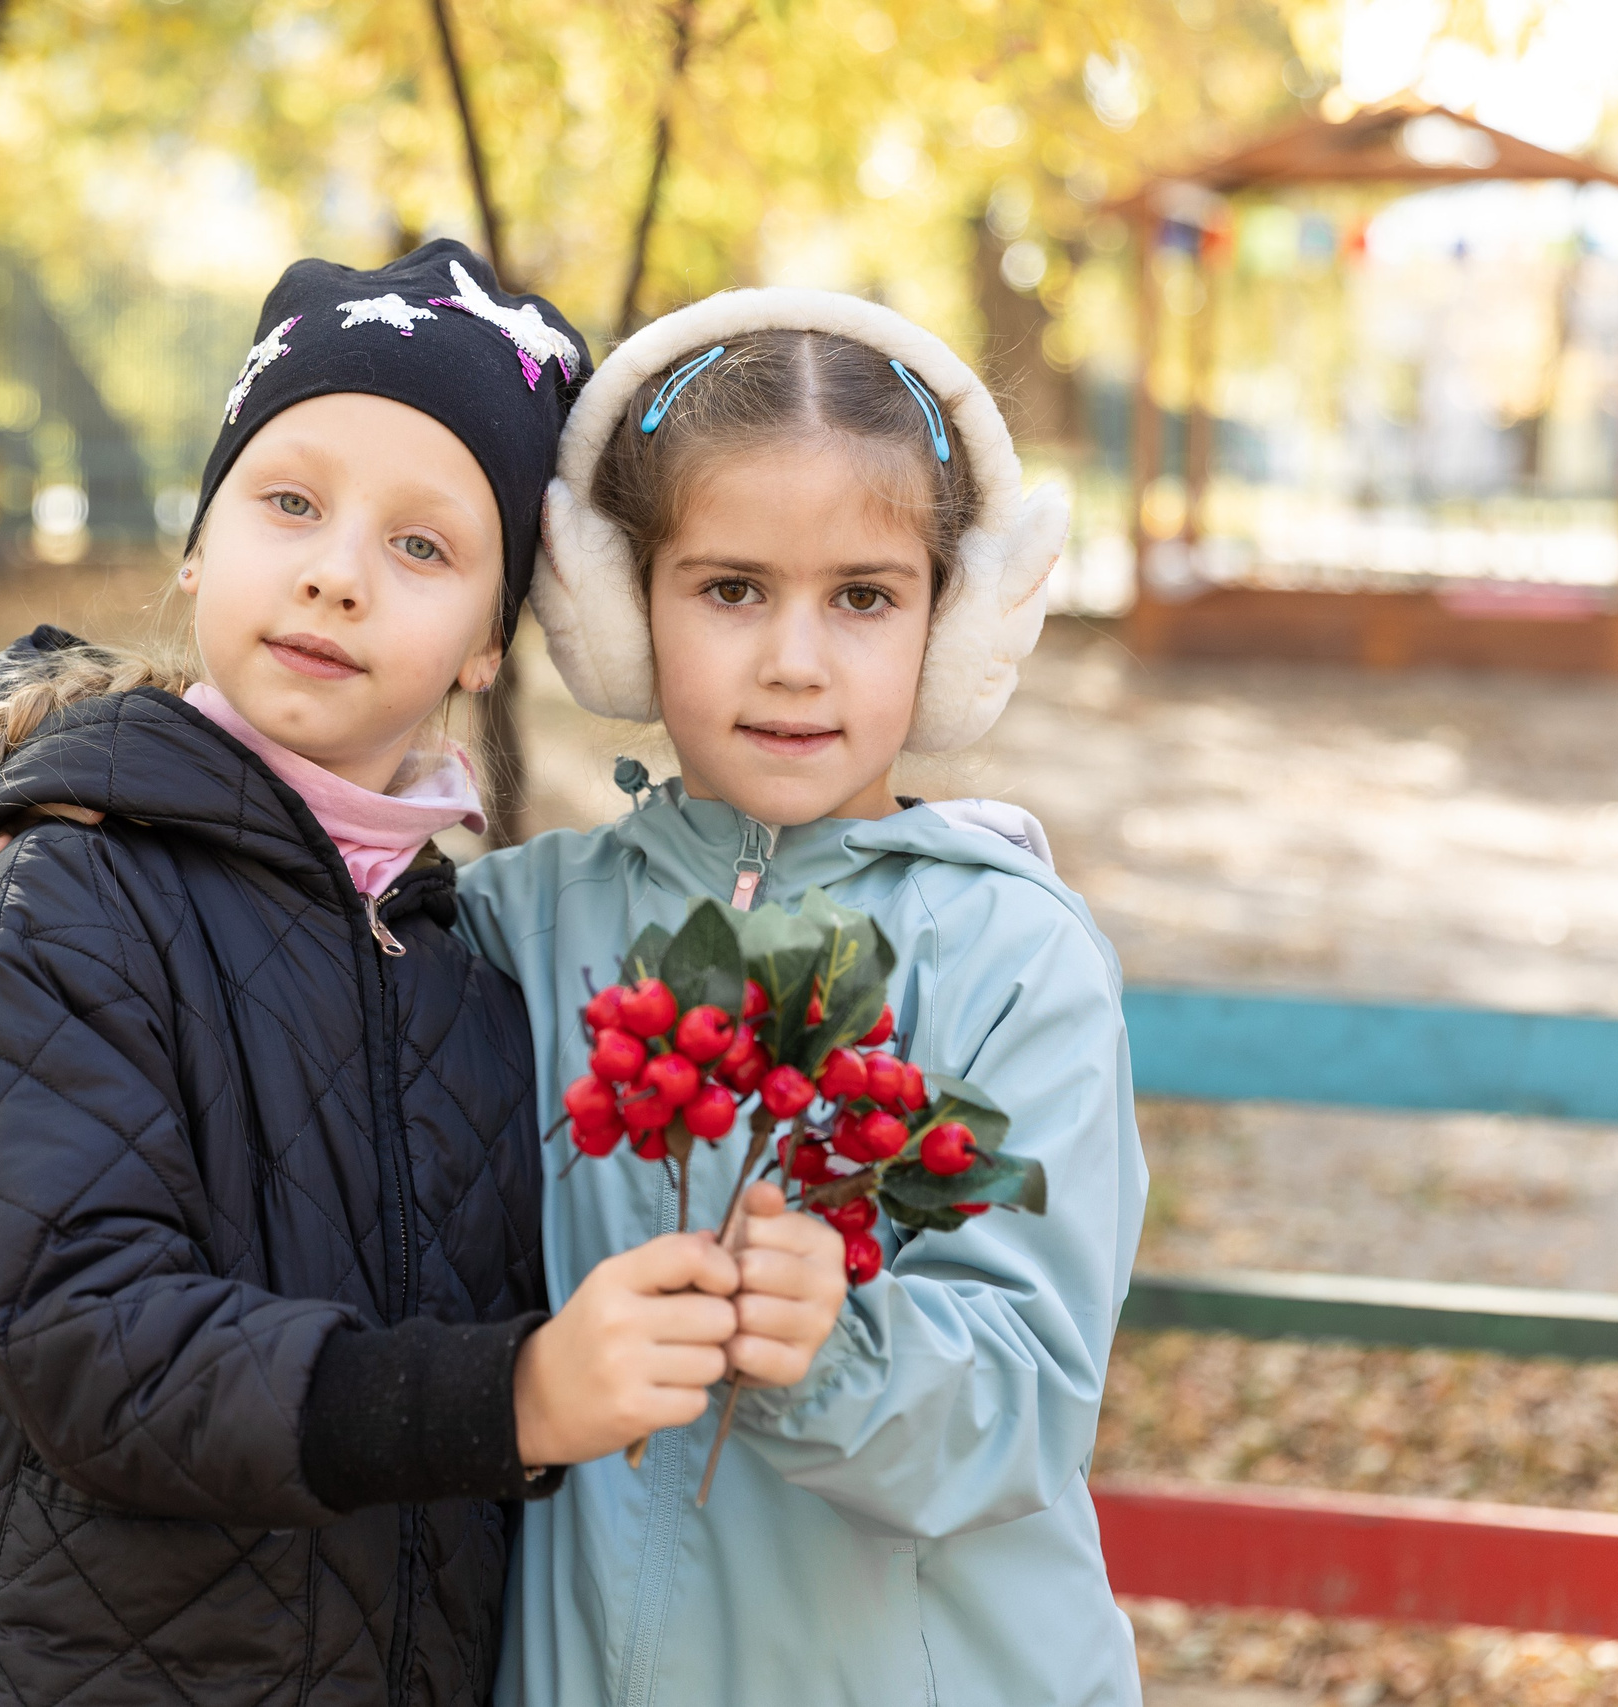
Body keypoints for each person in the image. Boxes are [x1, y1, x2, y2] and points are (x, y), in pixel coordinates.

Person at [0, 241, 743, 1707]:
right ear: (199, 543)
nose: (334, 572)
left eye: (423, 547)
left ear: (492, 644)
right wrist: (517, 1394)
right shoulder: (74, 899)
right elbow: (98, 1344)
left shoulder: (458, 971)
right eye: (288, 501)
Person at [455, 292, 1149, 1705]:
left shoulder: (1016, 956)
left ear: (952, 626)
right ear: (614, 610)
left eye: (864, 597)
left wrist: (839, 1352)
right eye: (730, 589)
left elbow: (1026, 1407)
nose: (794, 658)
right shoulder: (520, 927)